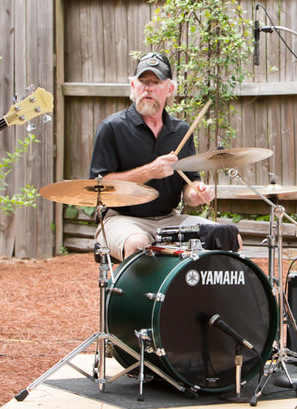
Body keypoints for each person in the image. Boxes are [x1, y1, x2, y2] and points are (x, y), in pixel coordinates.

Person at [89, 52, 222, 261]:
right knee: (138, 244)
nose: (148, 88)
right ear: (133, 86)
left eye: (155, 82)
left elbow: (189, 184)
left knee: (225, 236)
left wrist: (196, 194)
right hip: (121, 219)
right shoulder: (112, 128)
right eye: (142, 81)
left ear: (169, 89)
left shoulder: (181, 131)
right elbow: (100, 186)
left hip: (170, 218)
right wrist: (151, 171)